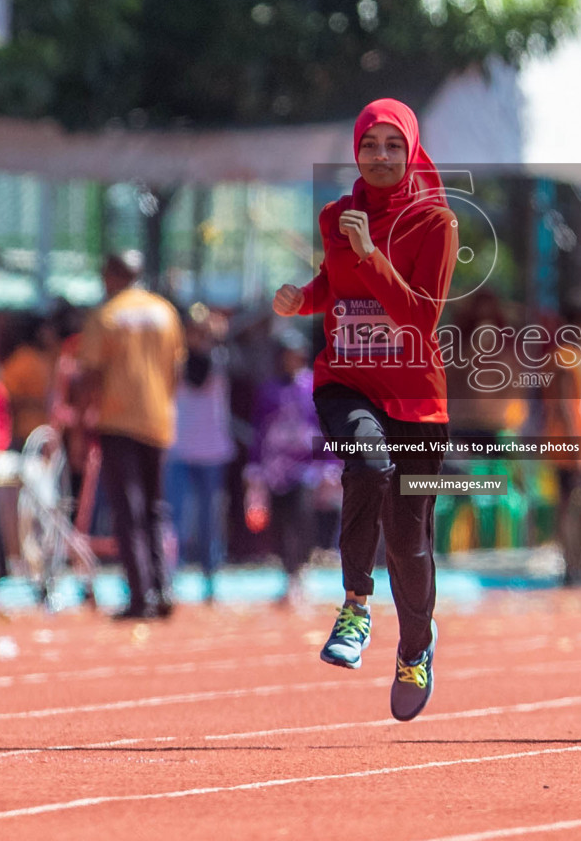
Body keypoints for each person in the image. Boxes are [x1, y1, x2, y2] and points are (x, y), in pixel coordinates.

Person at [272, 97, 456, 722]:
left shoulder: (436, 223)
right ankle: (355, 603)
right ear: (356, 149)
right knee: (367, 466)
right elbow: (337, 286)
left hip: (417, 397)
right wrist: (304, 298)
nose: (380, 157)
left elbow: (422, 317)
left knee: (409, 541)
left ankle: (415, 649)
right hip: (346, 381)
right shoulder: (336, 216)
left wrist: (373, 253)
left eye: (392, 146)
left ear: (411, 151)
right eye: (370, 145)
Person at [76, 252, 185, 620]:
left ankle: (141, 596)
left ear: (113, 275)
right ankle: (163, 589)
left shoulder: (106, 315)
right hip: (157, 422)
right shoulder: (165, 312)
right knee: (155, 509)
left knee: (128, 511)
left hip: (119, 419)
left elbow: (91, 373)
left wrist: (80, 421)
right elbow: (177, 366)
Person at [244, 332, 330, 606]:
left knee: (302, 518)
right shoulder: (270, 391)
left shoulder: (313, 387)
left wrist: (329, 464)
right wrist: (254, 468)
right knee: (280, 523)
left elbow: (324, 427)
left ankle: (302, 571)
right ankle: (288, 574)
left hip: (305, 469)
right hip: (276, 471)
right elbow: (259, 431)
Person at [165, 303, 236, 600]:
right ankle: (170, 575)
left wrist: (219, 338)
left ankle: (210, 576)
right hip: (178, 448)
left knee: (209, 519)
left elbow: (236, 364)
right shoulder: (173, 362)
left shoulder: (221, 358)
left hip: (212, 450)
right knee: (175, 517)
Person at [542, 303, 581, 586]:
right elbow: (566, 407)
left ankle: (578, 562)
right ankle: (572, 565)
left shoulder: (577, 355)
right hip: (572, 443)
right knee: (573, 504)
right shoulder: (565, 358)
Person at [0, 314, 58, 451]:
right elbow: (5, 393)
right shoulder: (23, 359)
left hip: (45, 432)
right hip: (24, 433)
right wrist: (34, 402)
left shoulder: (49, 356)